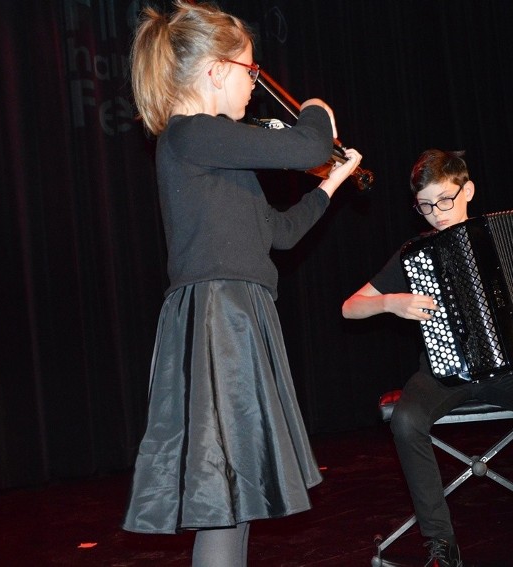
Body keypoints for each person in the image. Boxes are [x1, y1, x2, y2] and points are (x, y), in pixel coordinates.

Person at [121, 2, 363, 566]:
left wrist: (331, 186)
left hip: (237, 312)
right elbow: (306, 144)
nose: (256, 87)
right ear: (215, 71)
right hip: (218, 316)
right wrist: (316, 111)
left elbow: (278, 233)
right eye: (250, 72)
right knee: (226, 491)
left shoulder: (214, 149)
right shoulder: (193, 135)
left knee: (240, 490)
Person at [342, 149, 513, 567]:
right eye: (425, 206)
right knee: (406, 420)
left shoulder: (507, 237)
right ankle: (441, 546)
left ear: (467, 190)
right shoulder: (417, 253)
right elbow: (350, 306)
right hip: (443, 373)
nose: (436, 214)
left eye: (445, 200)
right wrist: (390, 302)